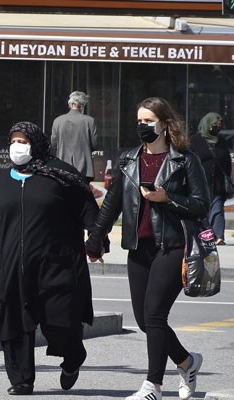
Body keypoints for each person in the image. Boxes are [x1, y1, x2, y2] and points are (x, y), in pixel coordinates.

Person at [0, 121, 101, 396]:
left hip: (55, 266)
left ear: (37, 143)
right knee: (12, 322)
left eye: (23, 141)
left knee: (61, 325)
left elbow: (90, 213)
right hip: (11, 267)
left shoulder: (62, 175)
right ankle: (21, 379)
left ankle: (73, 357)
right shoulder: (4, 181)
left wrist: (96, 242)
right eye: (13, 141)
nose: (17, 147)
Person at [85, 97, 208, 400]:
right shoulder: (129, 159)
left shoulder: (185, 160)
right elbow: (112, 204)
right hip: (139, 247)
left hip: (173, 246)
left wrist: (168, 199)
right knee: (144, 320)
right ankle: (187, 362)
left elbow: (201, 204)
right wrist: (95, 239)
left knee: (154, 315)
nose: (143, 126)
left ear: (165, 124)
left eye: (148, 121)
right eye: (139, 121)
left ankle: (152, 386)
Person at [188, 112, 231, 245]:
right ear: (207, 125)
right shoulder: (195, 140)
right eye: (213, 126)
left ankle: (219, 236)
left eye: (218, 126)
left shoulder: (221, 141)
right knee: (202, 210)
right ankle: (205, 235)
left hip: (218, 183)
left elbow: (227, 161)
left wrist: (227, 178)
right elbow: (188, 160)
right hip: (200, 183)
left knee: (217, 209)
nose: (216, 129)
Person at [50, 91, 98, 183]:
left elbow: (54, 144)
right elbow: (95, 144)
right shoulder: (90, 121)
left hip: (62, 167)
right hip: (84, 169)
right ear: (83, 105)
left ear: (70, 104)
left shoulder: (58, 121)